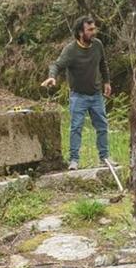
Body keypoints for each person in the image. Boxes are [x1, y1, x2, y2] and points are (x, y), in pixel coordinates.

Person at [42, 16, 113, 170]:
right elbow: (56, 64)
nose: (93, 32)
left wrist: (107, 82)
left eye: (94, 28)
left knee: (102, 126)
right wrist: (52, 77)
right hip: (78, 96)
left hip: (96, 95)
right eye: (90, 30)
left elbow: (103, 64)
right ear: (81, 32)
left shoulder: (98, 45)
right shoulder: (71, 50)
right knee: (76, 127)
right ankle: (74, 160)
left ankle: (105, 157)